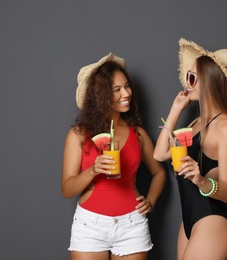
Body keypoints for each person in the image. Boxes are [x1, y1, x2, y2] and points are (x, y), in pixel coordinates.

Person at [62, 53, 166, 260]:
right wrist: (93, 170)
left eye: (127, 86)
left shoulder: (138, 134)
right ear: (101, 96)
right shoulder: (79, 134)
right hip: (90, 226)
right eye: (116, 90)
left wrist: (151, 201)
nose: (126, 93)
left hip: (132, 226)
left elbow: (159, 173)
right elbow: (67, 189)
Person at [153, 39, 227, 260]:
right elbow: (159, 153)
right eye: (188, 76)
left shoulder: (225, 126)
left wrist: (202, 181)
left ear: (212, 82)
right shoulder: (196, 123)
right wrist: (175, 109)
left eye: (193, 78)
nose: (188, 83)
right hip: (190, 222)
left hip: (212, 221)